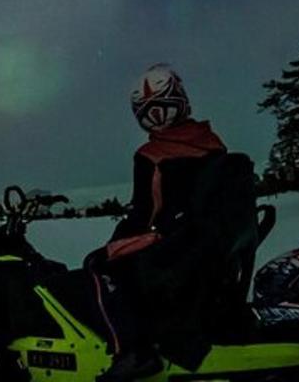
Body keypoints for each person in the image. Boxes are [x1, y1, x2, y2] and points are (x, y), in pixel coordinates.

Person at [91, 63, 227, 382]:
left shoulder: (151, 155)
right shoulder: (210, 141)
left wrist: (113, 245)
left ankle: (132, 351)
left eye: (162, 111)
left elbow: (144, 215)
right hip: (198, 247)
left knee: (99, 266)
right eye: (151, 114)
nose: (158, 121)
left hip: (170, 245)